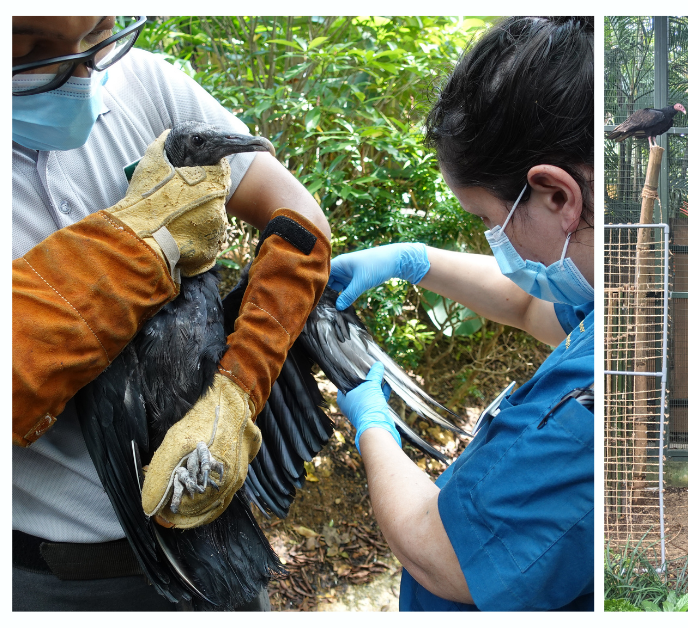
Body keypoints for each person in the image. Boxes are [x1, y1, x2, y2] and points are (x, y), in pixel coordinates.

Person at [12, 16, 332, 610]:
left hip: (220, 536)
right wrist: (141, 249)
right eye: (31, 51)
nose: (86, 72)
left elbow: (299, 218)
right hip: (63, 586)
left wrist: (239, 390)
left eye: (99, 34)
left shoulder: (141, 82)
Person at [329, 16, 594, 611]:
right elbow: (531, 305)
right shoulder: (618, 302)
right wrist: (412, 260)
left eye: (486, 221)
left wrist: (374, 425)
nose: (491, 243)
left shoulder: (601, 395)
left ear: (557, 196)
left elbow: (442, 556)